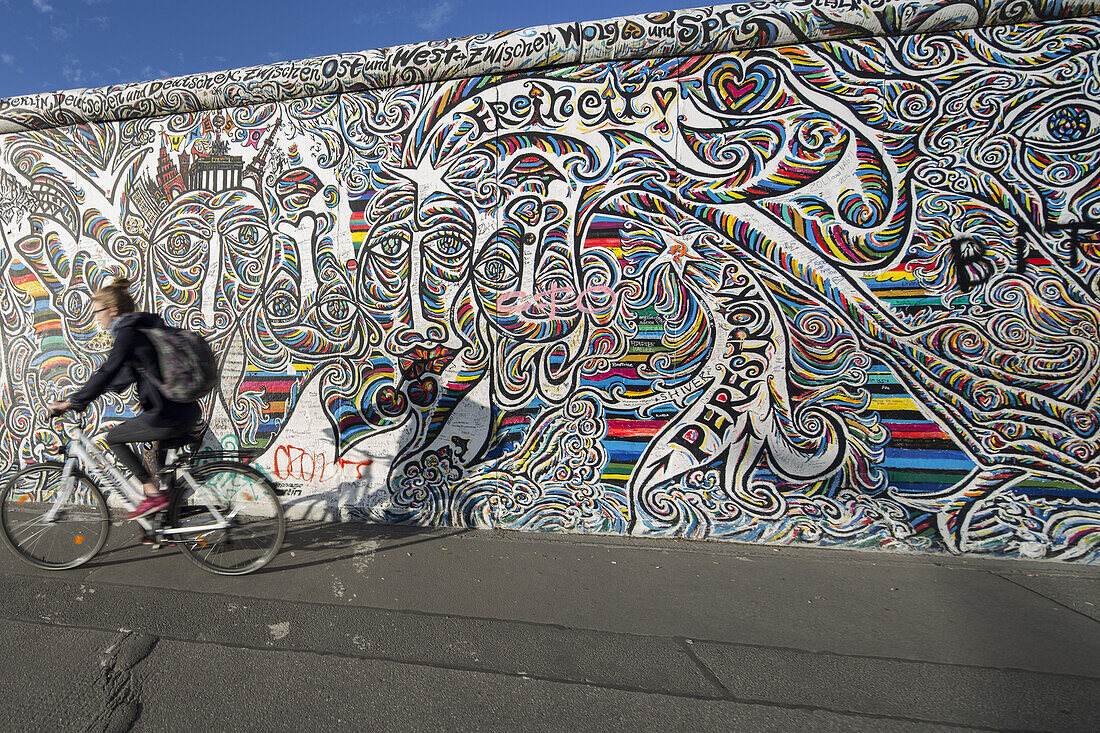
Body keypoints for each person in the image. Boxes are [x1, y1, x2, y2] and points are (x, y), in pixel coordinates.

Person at [47, 277, 203, 520]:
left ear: (113, 310)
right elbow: (120, 377)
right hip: (182, 410)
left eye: (98, 312)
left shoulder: (128, 334)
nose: (96, 318)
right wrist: (94, 393)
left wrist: (73, 402)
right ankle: (160, 526)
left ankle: (153, 496)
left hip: (166, 415)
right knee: (156, 464)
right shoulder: (142, 330)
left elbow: (108, 370)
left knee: (115, 438)